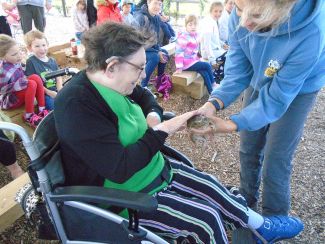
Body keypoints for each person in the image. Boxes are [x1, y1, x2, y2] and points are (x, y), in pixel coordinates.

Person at [54, 21, 303, 244]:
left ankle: (262, 227)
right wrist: (162, 130)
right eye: (139, 68)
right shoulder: (77, 104)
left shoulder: (114, 82)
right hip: (123, 197)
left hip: (153, 169)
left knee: (214, 187)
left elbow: (145, 95)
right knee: (206, 221)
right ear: (111, 66)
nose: (143, 75)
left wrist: (153, 114)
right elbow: (119, 169)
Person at [197, 0, 325, 219]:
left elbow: (276, 98)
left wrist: (230, 124)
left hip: (298, 88)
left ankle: (274, 217)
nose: (243, 22)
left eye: (255, 16)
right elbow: (238, 69)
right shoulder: (244, 10)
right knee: (249, 145)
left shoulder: (311, 32)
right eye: (238, 9)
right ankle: (246, 200)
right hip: (260, 75)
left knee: (277, 157)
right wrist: (214, 103)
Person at [0, 34, 48, 128]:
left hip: (21, 92)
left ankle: (42, 109)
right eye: (14, 54)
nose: (19, 56)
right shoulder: (2, 71)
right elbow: (2, 90)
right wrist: (21, 84)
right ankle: (28, 115)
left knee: (35, 77)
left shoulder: (15, 61)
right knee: (31, 83)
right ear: (2, 57)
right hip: (10, 99)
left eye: (19, 52)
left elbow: (23, 74)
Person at [175, 14, 217, 94]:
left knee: (204, 72)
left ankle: (211, 92)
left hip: (192, 61)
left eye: (195, 24)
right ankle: (213, 84)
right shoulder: (183, 37)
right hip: (185, 63)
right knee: (207, 65)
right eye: (190, 25)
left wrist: (199, 58)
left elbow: (195, 50)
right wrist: (179, 67)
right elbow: (179, 53)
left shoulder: (195, 35)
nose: (193, 27)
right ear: (186, 26)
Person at [133, 0, 169, 88]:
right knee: (155, 57)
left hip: (148, 47)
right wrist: (157, 52)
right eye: (155, 3)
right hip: (135, 48)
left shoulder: (156, 17)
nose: (157, 7)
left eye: (160, 4)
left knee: (164, 54)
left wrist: (159, 50)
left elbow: (155, 39)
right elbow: (137, 41)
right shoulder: (141, 17)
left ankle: (160, 82)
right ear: (148, 3)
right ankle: (143, 86)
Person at [24, 30, 63, 111]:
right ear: (30, 48)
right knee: (52, 106)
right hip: (43, 93)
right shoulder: (31, 62)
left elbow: (58, 76)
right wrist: (49, 92)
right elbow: (33, 82)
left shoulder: (52, 60)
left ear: (47, 45)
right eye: (37, 46)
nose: (42, 48)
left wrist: (60, 89)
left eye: (44, 45)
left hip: (56, 89)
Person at [199, 1, 227, 83]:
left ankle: (221, 77)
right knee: (229, 56)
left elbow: (214, 39)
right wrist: (213, 60)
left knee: (231, 53)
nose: (218, 13)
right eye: (216, 11)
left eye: (220, 11)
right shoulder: (208, 23)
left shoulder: (213, 20)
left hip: (214, 49)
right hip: (209, 53)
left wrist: (223, 44)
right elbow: (207, 44)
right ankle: (216, 78)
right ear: (210, 10)